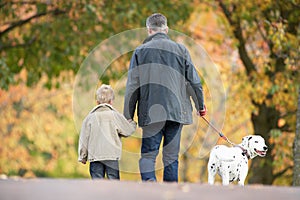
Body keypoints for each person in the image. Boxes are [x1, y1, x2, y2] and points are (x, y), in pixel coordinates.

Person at [124, 13, 206, 182]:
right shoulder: (181, 50)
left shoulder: (140, 51)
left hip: (151, 111)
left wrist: (128, 116)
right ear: (166, 29)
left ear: (149, 30)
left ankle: (150, 187)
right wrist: (200, 105)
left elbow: (132, 86)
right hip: (177, 111)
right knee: (171, 157)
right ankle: (170, 193)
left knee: (148, 155)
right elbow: (194, 81)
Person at [78, 84, 136, 180]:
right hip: (111, 156)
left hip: (95, 157)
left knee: (97, 182)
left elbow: (84, 138)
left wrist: (83, 156)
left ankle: (98, 195)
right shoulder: (115, 116)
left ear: (97, 102)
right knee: (113, 182)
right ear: (111, 101)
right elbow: (127, 131)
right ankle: (113, 195)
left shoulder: (89, 118)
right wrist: (132, 123)